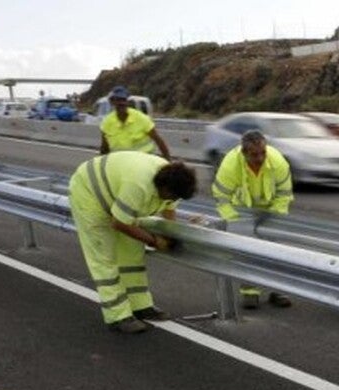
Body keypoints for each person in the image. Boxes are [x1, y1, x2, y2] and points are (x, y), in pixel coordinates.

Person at [68, 152, 198, 333]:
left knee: (132, 253)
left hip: (116, 196)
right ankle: (117, 316)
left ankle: (141, 306)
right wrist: (154, 241)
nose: (173, 200)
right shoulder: (138, 185)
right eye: (172, 196)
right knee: (105, 259)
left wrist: (170, 236)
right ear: (165, 187)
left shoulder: (172, 180)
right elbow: (118, 223)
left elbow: (169, 211)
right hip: (90, 195)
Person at [211, 129, 295, 309]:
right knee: (246, 253)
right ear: (244, 153)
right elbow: (221, 196)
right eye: (254, 154)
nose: (260, 158)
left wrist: (275, 217)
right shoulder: (230, 164)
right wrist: (233, 220)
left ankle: (278, 291)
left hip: (270, 210)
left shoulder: (278, 162)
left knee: (277, 253)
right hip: (241, 211)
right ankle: (250, 292)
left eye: (263, 152)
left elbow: (284, 193)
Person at [98, 86, 171, 158]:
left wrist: (168, 161)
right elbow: (104, 147)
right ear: (112, 102)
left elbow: (159, 141)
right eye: (118, 100)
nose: (121, 103)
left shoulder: (141, 118)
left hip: (143, 161)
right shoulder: (107, 122)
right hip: (120, 163)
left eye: (124, 100)